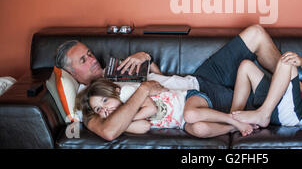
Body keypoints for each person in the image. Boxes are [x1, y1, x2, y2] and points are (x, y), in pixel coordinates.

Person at [55, 24, 282, 140]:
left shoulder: (112, 71)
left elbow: (160, 81)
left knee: (255, 33)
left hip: (197, 80)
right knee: (269, 96)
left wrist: (146, 59)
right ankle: (300, 91)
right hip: (198, 99)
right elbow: (109, 131)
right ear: (69, 72)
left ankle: (297, 82)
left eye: (90, 53)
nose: (92, 59)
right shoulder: (89, 102)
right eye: (83, 60)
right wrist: (143, 89)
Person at [76, 78, 257, 138]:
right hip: (180, 123)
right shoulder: (123, 117)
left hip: (187, 99)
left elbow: (151, 110)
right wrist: (122, 123)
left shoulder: (129, 93)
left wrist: (127, 117)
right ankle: (232, 128)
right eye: (99, 110)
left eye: (105, 101)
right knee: (199, 129)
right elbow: (145, 127)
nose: (104, 110)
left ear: (116, 93)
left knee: (192, 114)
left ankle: (232, 119)